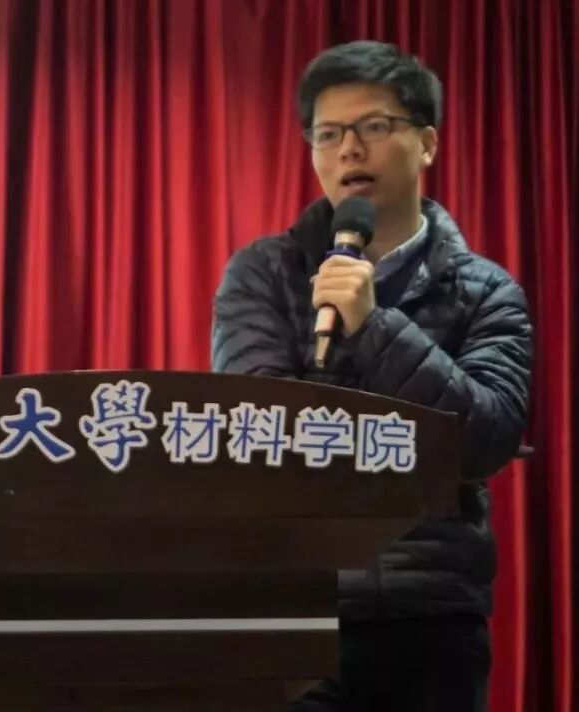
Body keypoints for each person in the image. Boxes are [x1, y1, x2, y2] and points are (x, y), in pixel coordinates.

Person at [211, 41, 532, 711]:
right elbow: (254, 431)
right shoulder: (263, 274)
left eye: (374, 126)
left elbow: (487, 439)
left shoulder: (487, 291)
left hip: (431, 617)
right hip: (293, 608)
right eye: (328, 134)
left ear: (428, 143)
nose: (349, 150)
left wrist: (373, 324)